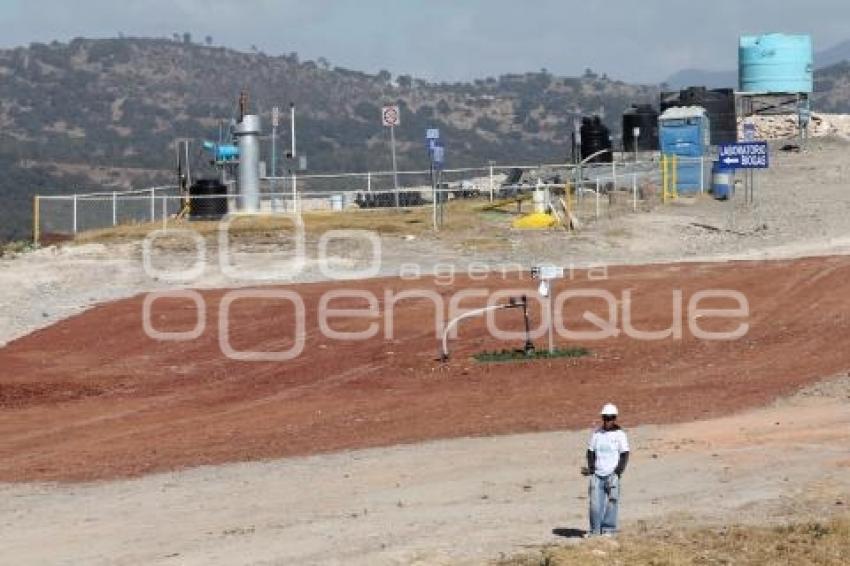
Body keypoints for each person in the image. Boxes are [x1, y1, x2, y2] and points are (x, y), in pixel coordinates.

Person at [583, 403, 630, 535]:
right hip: (597, 475)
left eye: (610, 418)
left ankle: (608, 529)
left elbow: (624, 454)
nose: (607, 420)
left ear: (615, 418)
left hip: (612, 475)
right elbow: (590, 451)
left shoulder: (620, 435)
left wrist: (618, 472)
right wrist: (591, 469)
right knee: (595, 505)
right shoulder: (597, 434)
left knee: (612, 502)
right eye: (605, 418)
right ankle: (595, 531)